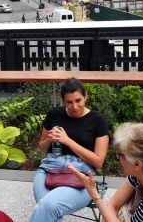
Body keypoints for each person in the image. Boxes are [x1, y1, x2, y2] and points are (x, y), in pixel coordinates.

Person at [28, 78, 110, 222]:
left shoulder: (97, 121)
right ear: (63, 101)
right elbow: (41, 148)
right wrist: (49, 140)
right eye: (69, 102)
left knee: (49, 205)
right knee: (49, 209)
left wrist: (68, 141)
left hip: (82, 174)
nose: (75, 106)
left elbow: (98, 162)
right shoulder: (54, 114)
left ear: (86, 96)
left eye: (78, 100)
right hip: (49, 168)